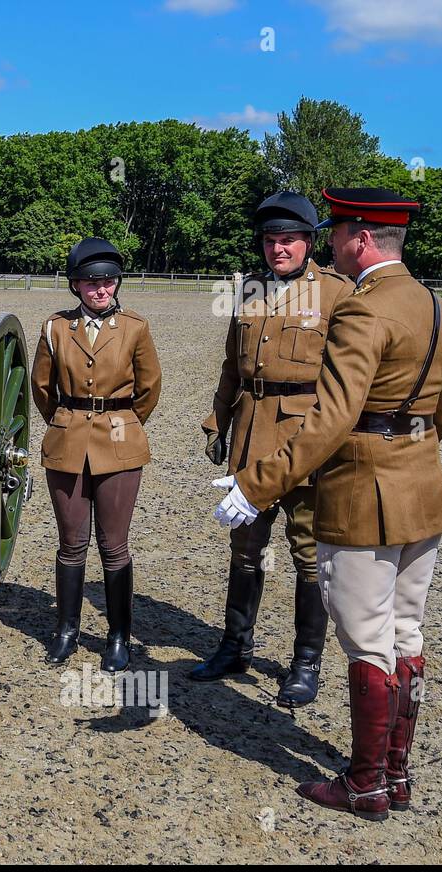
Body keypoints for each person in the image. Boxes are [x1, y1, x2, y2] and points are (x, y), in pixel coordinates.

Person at [215, 188, 442, 821]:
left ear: (361, 238)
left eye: (336, 232)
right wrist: (403, 448)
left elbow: (329, 419)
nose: (328, 244)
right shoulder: (436, 304)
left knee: (366, 639)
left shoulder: (359, 308)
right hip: (423, 488)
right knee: (406, 633)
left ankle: (364, 783)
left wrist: (255, 484)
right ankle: (395, 776)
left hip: (362, 492)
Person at [193, 192, 350, 707]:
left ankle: (305, 662)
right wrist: (217, 419)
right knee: (245, 550)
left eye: (287, 240)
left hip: (308, 442)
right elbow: (232, 367)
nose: (277, 249)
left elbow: (347, 381)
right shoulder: (250, 291)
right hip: (252, 434)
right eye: (269, 240)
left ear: (309, 242)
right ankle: (234, 647)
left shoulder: (335, 294)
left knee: (308, 555)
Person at [31, 237, 161, 672]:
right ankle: (66, 630)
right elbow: (42, 389)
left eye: (107, 281)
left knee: (114, 545)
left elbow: (148, 389)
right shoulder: (54, 327)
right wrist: (70, 421)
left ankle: (119, 636)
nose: (100, 289)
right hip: (67, 440)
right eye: (90, 282)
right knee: (71, 544)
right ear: (75, 285)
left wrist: (117, 422)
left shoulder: (135, 327)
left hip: (120, 441)